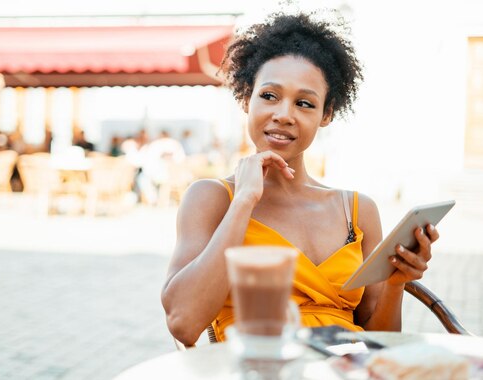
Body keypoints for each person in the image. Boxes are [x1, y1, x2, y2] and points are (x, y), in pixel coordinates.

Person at [161, 11, 440, 346]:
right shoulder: (212, 198)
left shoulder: (357, 210)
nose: (283, 115)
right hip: (257, 366)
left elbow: (379, 341)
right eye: (268, 95)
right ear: (245, 98)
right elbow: (183, 323)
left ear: (327, 114)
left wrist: (396, 283)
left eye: (304, 103)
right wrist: (244, 201)